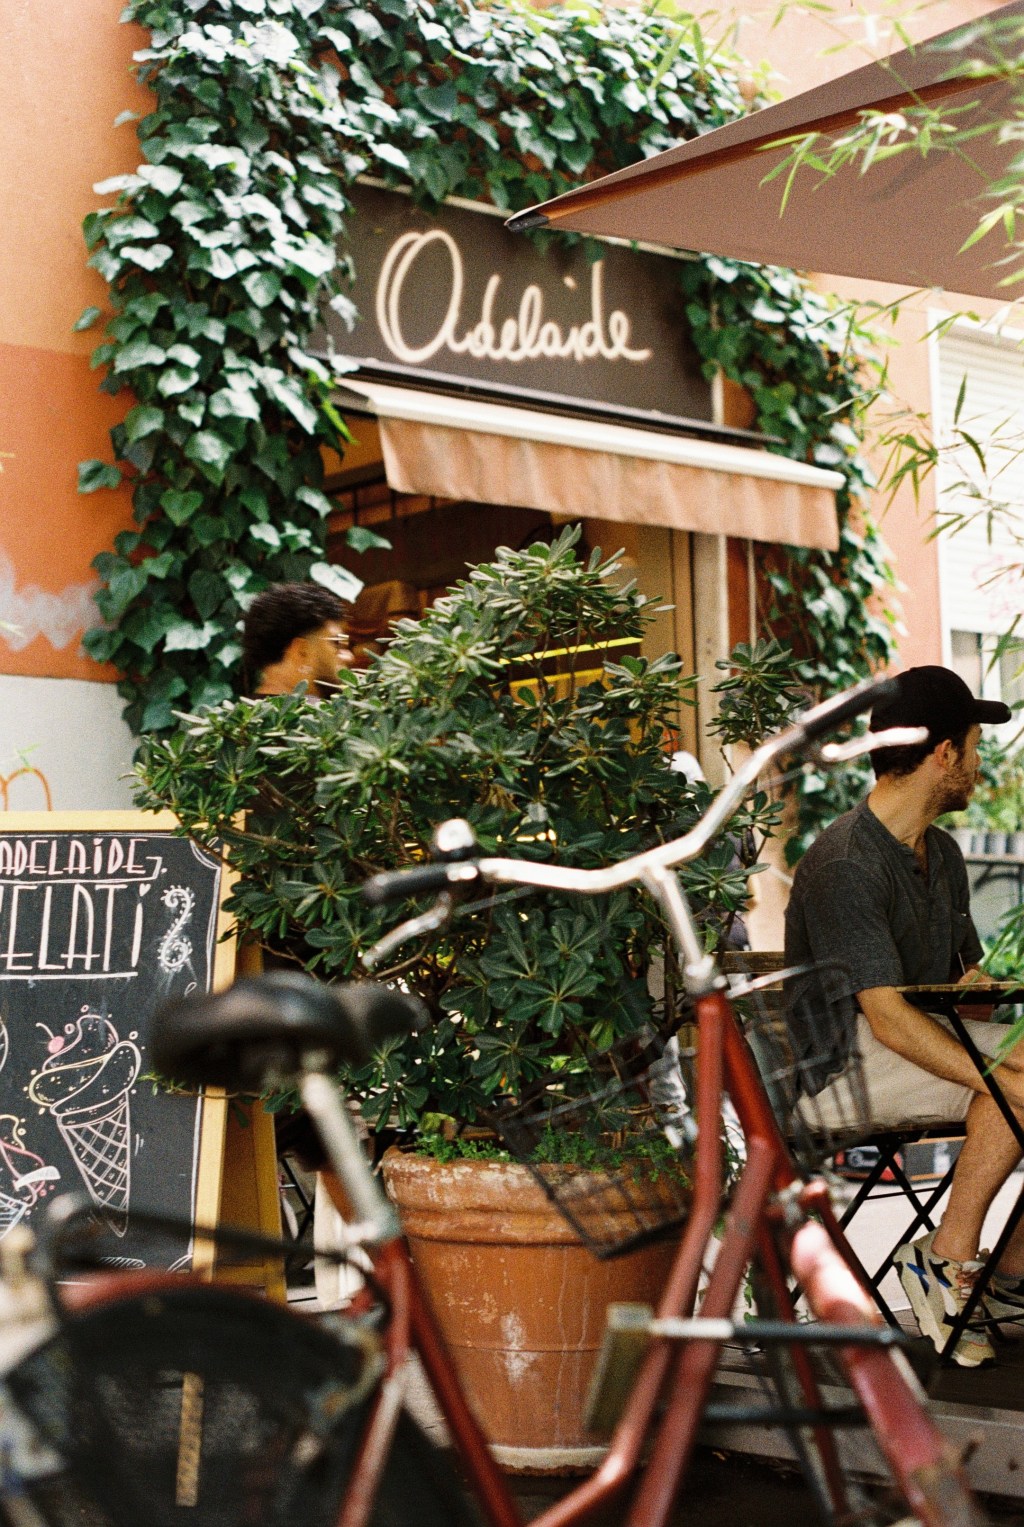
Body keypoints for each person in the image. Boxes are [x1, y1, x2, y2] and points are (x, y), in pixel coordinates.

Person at [784, 665, 1024, 1367]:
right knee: (1013, 1085)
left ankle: (1005, 1274)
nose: (979, 765)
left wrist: (980, 987)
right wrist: (997, 1072)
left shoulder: (940, 853)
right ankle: (946, 1261)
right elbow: (886, 1017)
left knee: (1017, 1075)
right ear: (944, 753)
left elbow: (956, 984)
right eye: (974, 747)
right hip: (839, 1068)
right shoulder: (847, 862)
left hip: (910, 1045)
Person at [241, 582, 354, 698]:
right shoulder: (329, 710)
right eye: (336, 643)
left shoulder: (239, 709)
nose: (349, 657)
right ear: (302, 650)